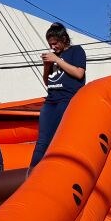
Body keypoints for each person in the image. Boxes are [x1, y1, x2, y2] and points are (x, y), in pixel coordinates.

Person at [29, 23, 86, 168]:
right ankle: (33, 172)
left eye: (55, 43)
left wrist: (57, 60)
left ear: (63, 39)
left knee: (57, 138)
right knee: (42, 140)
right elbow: (48, 82)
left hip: (67, 100)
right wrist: (46, 66)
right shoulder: (54, 56)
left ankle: (55, 169)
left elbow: (79, 73)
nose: (53, 47)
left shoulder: (76, 51)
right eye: (50, 44)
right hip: (50, 102)